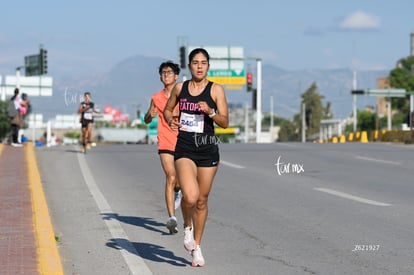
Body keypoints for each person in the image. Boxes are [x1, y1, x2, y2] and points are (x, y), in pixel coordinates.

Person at [163, 48, 229, 267]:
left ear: (208, 66)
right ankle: (187, 228)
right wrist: (171, 120)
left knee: (202, 200)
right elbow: (167, 109)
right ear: (189, 66)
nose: (199, 66)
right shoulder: (180, 88)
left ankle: (197, 247)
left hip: (208, 149)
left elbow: (224, 122)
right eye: (195, 62)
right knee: (190, 196)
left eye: (203, 62)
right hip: (185, 148)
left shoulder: (216, 90)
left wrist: (210, 111)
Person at [144, 61, 182, 234]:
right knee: (171, 175)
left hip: (183, 141)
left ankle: (178, 192)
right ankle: (172, 218)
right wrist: (149, 115)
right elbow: (146, 118)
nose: (166, 75)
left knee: (180, 181)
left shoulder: (183, 95)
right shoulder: (156, 98)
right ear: (160, 77)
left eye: (169, 72)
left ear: (176, 76)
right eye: (163, 72)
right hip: (165, 140)